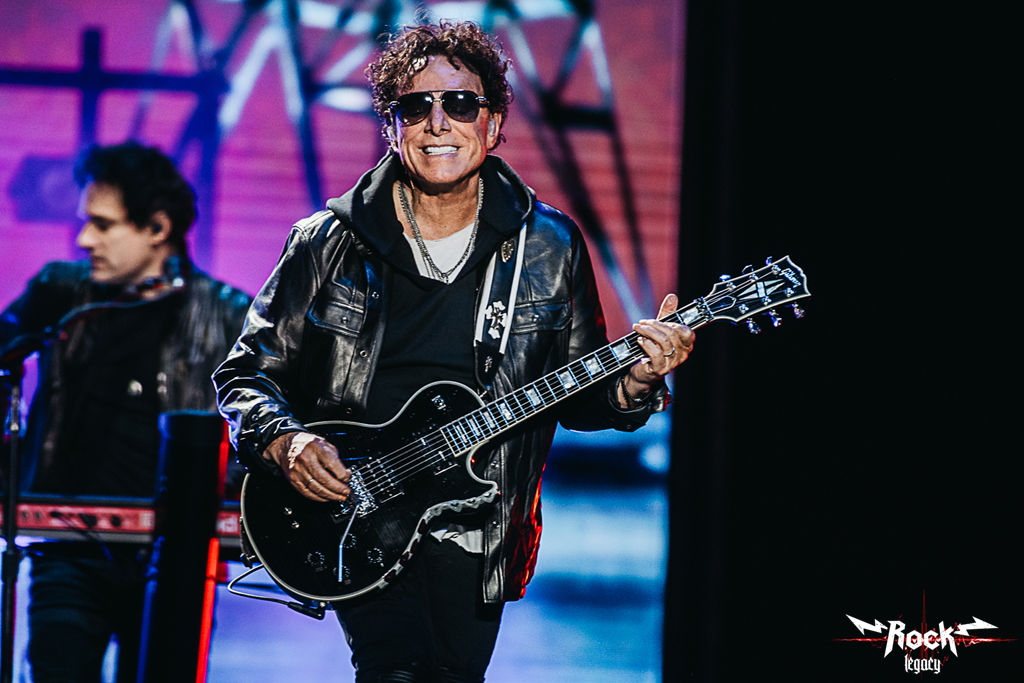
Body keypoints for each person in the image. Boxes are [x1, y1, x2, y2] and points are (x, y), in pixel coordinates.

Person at [214, 20, 693, 683]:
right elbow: (245, 374)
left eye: (461, 104)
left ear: (492, 124)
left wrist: (635, 382)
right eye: (416, 106)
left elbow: (579, 397)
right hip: (356, 507)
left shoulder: (549, 245)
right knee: (397, 668)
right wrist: (284, 441)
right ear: (392, 127)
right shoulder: (326, 241)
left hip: (480, 522)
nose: (438, 122)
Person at [0, 141, 251, 682]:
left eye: (103, 225)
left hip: (179, 554)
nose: (85, 239)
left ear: (157, 228)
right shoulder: (61, 292)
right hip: (67, 550)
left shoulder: (229, 314)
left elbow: (264, 427)